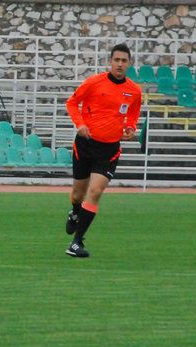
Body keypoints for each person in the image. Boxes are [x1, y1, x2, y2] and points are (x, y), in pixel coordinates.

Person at [64, 43, 141, 257]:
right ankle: (75, 212)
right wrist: (79, 124)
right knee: (78, 192)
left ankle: (76, 242)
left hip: (110, 149)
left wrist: (131, 127)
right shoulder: (93, 82)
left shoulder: (134, 90)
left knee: (95, 191)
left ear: (129, 63)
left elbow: (133, 112)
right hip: (85, 145)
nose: (120, 64)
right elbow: (71, 103)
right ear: (110, 61)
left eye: (124, 61)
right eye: (116, 60)